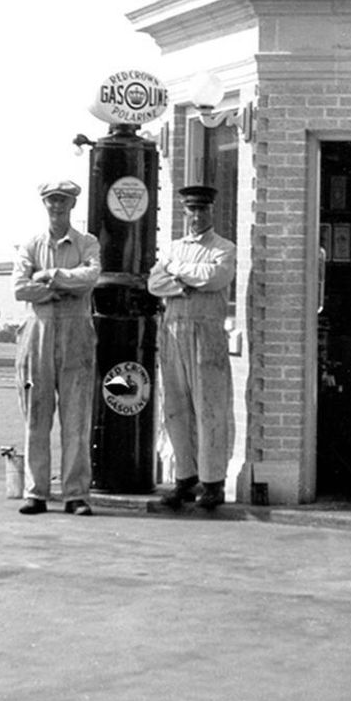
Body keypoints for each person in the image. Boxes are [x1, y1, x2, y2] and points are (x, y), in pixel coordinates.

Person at [13, 180, 101, 516]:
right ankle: (36, 491)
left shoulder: (86, 242)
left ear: (72, 205)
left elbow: (90, 276)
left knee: (76, 416)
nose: (57, 207)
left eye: (63, 201)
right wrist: (58, 289)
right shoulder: (31, 243)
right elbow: (20, 287)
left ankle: (76, 493)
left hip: (76, 330)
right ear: (44, 204)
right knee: (36, 413)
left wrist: (49, 275)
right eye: (52, 201)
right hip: (39, 330)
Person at [148, 184, 236, 510]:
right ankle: (184, 477)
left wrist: (176, 274)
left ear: (211, 211)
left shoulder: (224, 247)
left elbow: (215, 277)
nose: (196, 216)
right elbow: (153, 283)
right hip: (172, 332)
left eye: (202, 210)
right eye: (191, 210)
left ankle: (213, 482)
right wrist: (180, 281)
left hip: (206, 333)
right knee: (175, 407)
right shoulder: (171, 247)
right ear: (184, 212)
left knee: (209, 406)